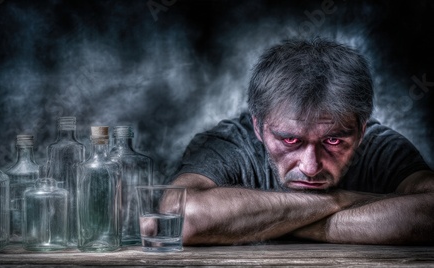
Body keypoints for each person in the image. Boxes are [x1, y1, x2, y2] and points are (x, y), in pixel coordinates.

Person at [170, 38, 434, 245]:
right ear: (258, 127)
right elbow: (176, 218)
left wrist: (262, 222)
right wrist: (339, 202)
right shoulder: (228, 143)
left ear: (361, 132)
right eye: (290, 140)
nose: (310, 167)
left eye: (332, 140)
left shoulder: (381, 147)